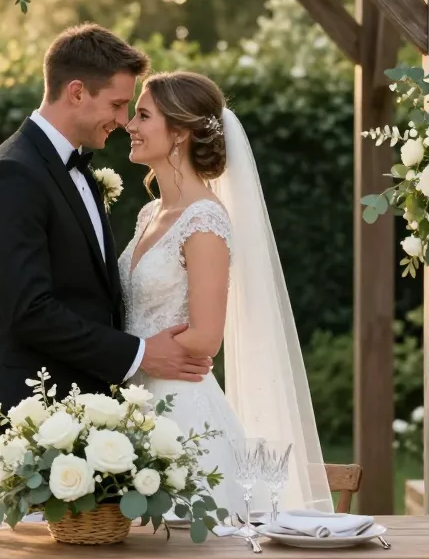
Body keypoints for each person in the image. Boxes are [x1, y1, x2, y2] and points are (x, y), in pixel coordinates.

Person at [0, 24, 213, 451]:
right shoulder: (13, 175)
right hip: (29, 422)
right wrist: (138, 354)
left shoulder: (77, 173)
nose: (122, 120)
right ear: (76, 92)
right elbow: (30, 310)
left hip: (86, 419)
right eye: (117, 104)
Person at [120, 71, 334, 518]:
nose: (129, 125)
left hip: (179, 415)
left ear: (179, 132)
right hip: (128, 406)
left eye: (143, 115)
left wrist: (132, 353)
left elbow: (205, 337)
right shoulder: (149, 213)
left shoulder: (204, 221)